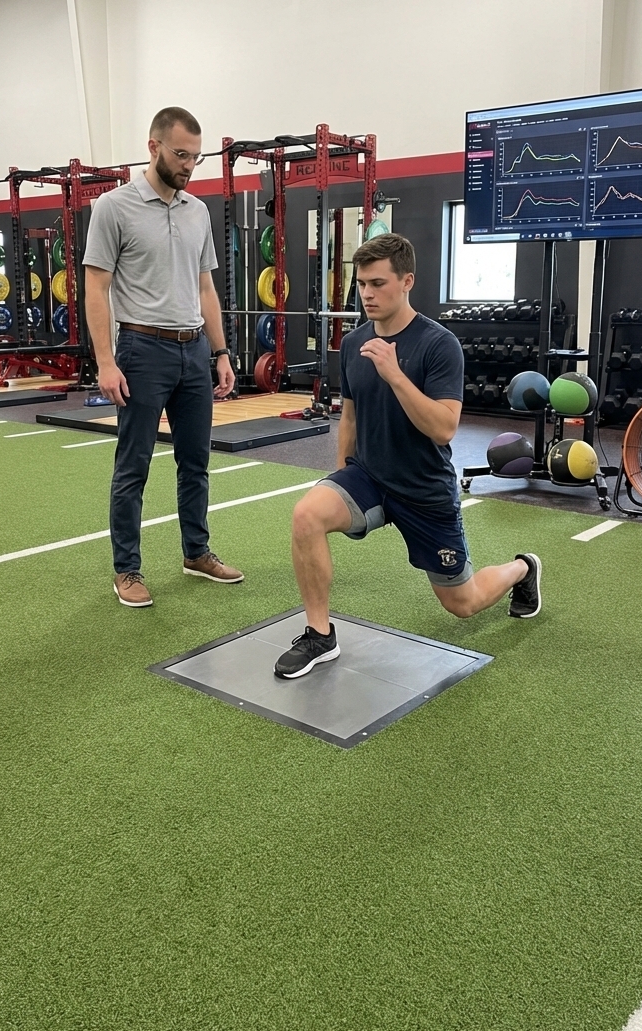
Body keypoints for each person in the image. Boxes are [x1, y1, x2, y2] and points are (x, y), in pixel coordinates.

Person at [274, 233, 541, 679]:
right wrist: (342, 478)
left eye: (378, 283)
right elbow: (351, 419)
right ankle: (320, 635)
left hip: (423, 488)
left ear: (407, 281)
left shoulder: (439, 345)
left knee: (463, 603)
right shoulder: (356, 343)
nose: (367, 294)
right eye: (361, 284)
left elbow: (443, 427)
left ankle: (522, 568)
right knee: (307, 514)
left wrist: (395, 374)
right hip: (370, 477)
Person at [83, 106, 244, 608]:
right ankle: (127, 570)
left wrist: (221, 351)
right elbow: (95, 286)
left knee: (195, 461)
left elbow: (205, 288)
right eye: (181, 154)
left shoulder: (197, 211)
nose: (189, 165)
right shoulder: (114, 207)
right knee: (133, 466)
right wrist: (105, 362)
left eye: (196, 157)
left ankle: (196, 552)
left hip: (193, 349)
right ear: (153, 147)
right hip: (140, 348)